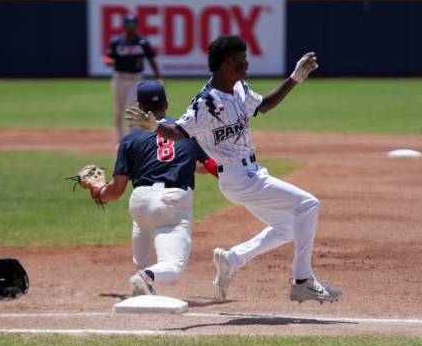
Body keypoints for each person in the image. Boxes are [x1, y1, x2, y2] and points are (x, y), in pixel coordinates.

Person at [126, 35, 342, 304]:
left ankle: (232, 259)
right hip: (239, 178)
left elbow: (263, 105)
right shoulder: (205, 103)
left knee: (289, 227)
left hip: (252, 173)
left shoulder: (239, 88)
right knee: (309, 205)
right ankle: (303, 281)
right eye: (242, 61)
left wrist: (295, 78)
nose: (247, 64)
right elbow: (178, 132)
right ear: (227, 63)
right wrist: (155, 127)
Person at [95, 80, 216, 296]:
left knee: (142, 219)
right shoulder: (186, 132)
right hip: (172, 203)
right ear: (167, 104)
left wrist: (98, 193)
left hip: (140, 202)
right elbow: (207, 167)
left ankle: (141, 276)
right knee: (173, 267)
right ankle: (146, 276)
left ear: (139, 108)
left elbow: (115, 191)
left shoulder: (129, 140)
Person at [104, 13, 161, 140]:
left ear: (136, 25)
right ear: (124, 26)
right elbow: (108, 56)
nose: (131, 27)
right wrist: (108, 61)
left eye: (133, 24)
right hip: (120, 78)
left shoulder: (142, 42)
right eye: (128, 24)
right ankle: (119, 139)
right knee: (119, 110)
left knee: (134, 109)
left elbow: (151, 59)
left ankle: (132, 138)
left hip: (135, 79)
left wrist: (157, 76)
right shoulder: (117, 41)